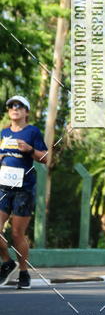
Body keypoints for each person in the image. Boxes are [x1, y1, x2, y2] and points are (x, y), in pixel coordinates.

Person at [0, 96, 48, 289]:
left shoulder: (33, 131)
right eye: (11, 106)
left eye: (19, 106)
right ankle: (7, 261)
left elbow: (44, 157)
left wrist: (29, 149)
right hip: (3, 186)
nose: (14, 108)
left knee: (18, 233)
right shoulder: (3, 132)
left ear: (26, 112)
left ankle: (23, 272)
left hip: (24, 188)